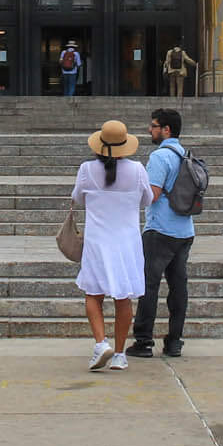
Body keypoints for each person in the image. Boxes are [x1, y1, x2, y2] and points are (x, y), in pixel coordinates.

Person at [72, 119, 152, 371]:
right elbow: (147, 199)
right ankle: (119, 353)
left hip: (98, 239)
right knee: (123, 296)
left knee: (93, 293)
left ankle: (100, 343)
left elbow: (77, 199)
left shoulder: (86, 169)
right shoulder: (138, 169)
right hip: (127, 241)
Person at [126, 107, 194, 359]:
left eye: (154, 126)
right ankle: (175, 340)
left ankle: (143, 340)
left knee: (149, 285)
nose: (149, 130)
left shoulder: (160, 156)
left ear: (166, 130)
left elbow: (152, 194)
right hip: (185, 229)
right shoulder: (184, 154)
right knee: (178, 287)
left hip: (160, 229)